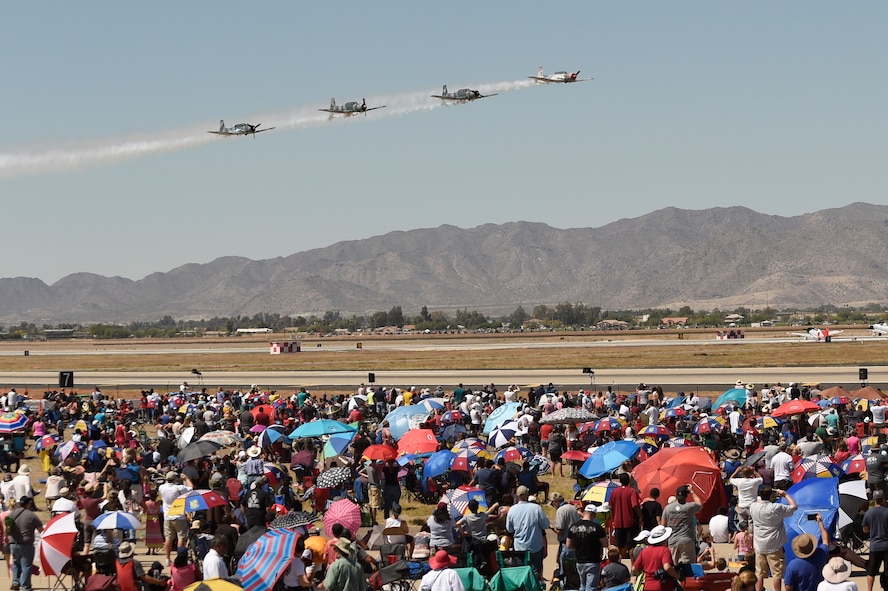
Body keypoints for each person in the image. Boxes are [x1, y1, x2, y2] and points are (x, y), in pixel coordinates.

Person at [749, 486, 798, 591]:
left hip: (759, 544)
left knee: (759, 572)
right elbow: (794, 507)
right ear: (771, 496)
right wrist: (785, 494)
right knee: (777, 573)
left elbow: (759, 500)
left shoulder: (753, 507)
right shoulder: (775, 508)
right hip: (774, 544)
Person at [506, 485, 551, 581]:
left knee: (520, 573)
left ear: (517, 496)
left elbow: (509, 530)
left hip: (519, 547)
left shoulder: (512, 510)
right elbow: (545, 525)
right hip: (535, 546)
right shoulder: (536, 508)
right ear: (527, 495)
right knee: (535, 572)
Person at [566, 504, 608, 591]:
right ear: (594, 515)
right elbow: (605, 544)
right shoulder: (597, 527)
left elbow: (568, 545)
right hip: (593, 560)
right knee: (591, 587)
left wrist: (579, 546)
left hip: (579, 560)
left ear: (584, 512)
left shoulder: (573, 527)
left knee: (582, 585)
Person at [784, 514, 830, 591]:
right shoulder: (821, 555)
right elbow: (825, 539)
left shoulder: (793, 565)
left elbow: (788, 587)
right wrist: (820, 522)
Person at [8, 495, 43, 591]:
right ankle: (25, 586)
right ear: (28, 504)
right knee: (27, 565)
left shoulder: (12, 513)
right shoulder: (31, 515)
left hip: (13, 543)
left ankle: (15, 582)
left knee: (16, 564)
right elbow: (41, 530)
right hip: (26, 544)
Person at [661, 485, 702, 565]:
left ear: (676, 495)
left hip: (672, 540)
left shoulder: (667, 508)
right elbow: (700, 504)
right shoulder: (689, 507)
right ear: (686, 495)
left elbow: (663, 525)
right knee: (688, 566)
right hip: (686, 539)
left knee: (673, 565)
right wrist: (692, 491)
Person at [632, 525, 680, 591]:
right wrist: (677, 576)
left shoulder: (644, 551)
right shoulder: (664, 550)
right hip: (663, 586)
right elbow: (667, 567)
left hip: (647, 586)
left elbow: (634, 568)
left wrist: (643, 573)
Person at [159, 470, 191, 567]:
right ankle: (179, 557)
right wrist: (186, 479)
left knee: (168, 538)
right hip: (179, 515)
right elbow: (191, 488)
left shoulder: (162, 488)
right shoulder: (178, 488)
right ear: (175, 479)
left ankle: (167, 559)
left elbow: (165, 484)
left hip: (167, 516)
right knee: (181, 537)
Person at [862, 489, 888, 591]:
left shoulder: (869, 513)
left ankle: (870, 590)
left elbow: (865, 529)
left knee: (871, 571)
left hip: (875, 545)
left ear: (874, 499)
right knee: (887, 571)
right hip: (886, 545)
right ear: (883, 499)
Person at [611, 473, 642, 559]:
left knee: (618, 546)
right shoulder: (632, 491)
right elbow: (635, 505)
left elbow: (610, 507)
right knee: (631, 546)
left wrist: (613, 518)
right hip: (630, 522)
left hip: (618, 522)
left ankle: (618, 564)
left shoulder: (614, 492)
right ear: (629, 481)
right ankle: (633, 567)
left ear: (620, 481)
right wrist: (641, 515)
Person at [551, 492, 581, 578]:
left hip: (565, 543)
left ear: (556, 502)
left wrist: (552, 528)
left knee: (564, 570)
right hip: (575, 542)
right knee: (574, 569)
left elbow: (560, 530)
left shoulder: (561, 510)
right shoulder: (573, 508)